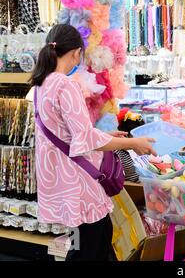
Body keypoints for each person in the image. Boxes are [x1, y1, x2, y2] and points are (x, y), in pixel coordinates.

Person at [31, 24, 156, 261]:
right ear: (77, 53)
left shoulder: (41, 85)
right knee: (89, 246)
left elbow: (69, 132)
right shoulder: (65, 85)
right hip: (78, 181)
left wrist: (109, 137)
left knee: (92, 240)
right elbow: (85, 138)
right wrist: (132, 143)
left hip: (58, 178)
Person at [116, 108, 146, 183]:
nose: (141, 137)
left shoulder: (142, 145)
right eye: (137, 134)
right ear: (124, 134)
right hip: (133, 189)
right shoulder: (117, 152)